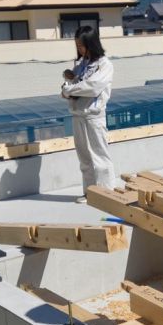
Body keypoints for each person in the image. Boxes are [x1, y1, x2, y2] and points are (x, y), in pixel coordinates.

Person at [60, 25, 117, 202]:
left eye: (81, 45)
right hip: (78, 115)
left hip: (93, 117)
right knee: (84, 157)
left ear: (91, 44)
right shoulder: (82, 64)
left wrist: (69, 89)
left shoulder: (104, 65)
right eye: (77, 45)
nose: (79, 48)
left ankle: (106, 193)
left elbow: (92, 87)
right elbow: (75, 85)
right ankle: (90, 192)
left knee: (99, 155)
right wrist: (69, 81)